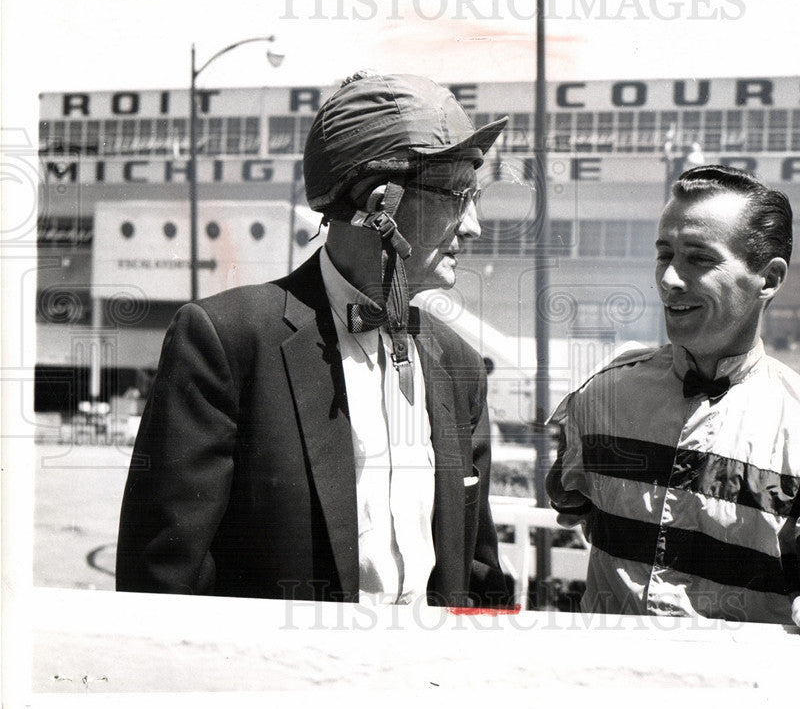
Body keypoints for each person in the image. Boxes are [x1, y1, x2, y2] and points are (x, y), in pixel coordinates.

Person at [117, 72, 512, 608]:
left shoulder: (459, 364)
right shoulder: (227, 343)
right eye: (457, 197)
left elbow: (477, 569)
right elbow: (162, 580)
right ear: (379, 204)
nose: (474, 227)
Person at [546, 164, 800, 639]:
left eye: (699, 258)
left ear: (770, 278)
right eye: (664, 255)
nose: (670, 279)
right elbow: (568, 500)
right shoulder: (601, 396)